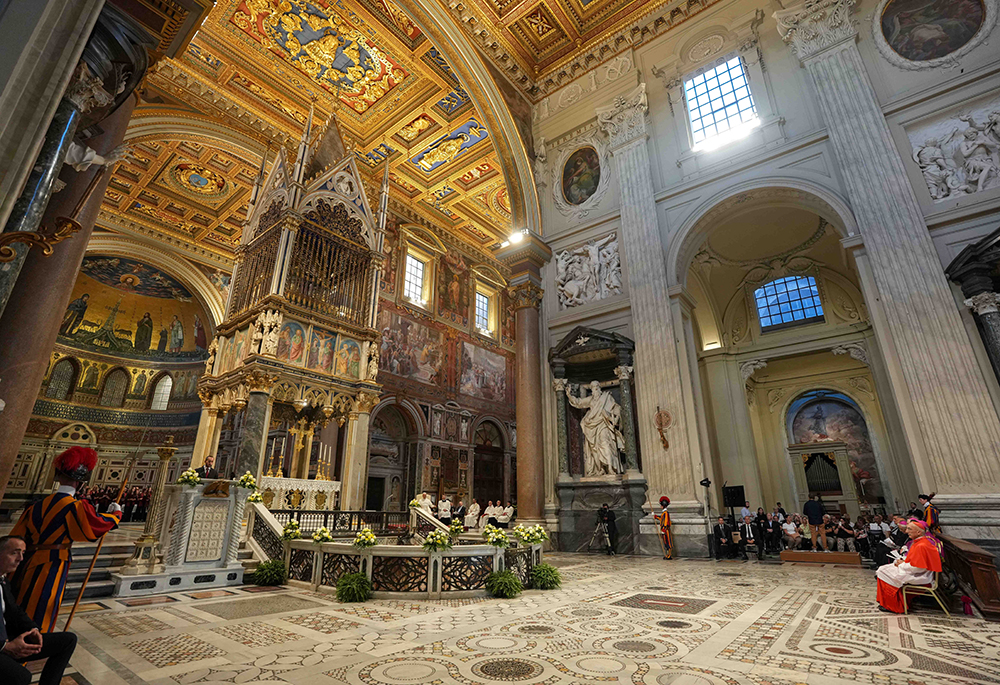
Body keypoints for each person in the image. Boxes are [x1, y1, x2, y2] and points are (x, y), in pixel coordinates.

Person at [9, 448, 121, 632]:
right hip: (53, 561)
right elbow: (94, 528)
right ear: (80, 483)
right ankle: (35, 643)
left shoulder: (36, 506)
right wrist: (116, 514)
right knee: (43, 603)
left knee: (21, 598)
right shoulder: (75, 507)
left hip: (27, 560)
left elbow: (17, 536)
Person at [0, 536, 79, 685]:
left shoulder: (3, 580)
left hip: (6, 638)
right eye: (15, 553)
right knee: (21, 676)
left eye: (23, 553)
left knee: (67, 640)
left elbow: (15, 610)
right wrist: (5, 647)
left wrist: (33, 628)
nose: (21, 559)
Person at [875, 519, 942, 613]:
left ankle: (894, 606)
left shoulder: (921, 545)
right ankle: (889, 603)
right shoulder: (919, 542)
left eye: (909, 529)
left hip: (920, 576)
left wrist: (902, 564)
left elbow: (919, 568)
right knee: (883, 569)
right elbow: (914, 560)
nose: (907, 532)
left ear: (918, 532)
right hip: (916, 572)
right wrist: (903, 561)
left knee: (882, 571)